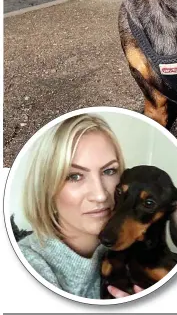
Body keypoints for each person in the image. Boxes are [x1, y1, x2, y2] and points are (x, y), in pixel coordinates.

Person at [17, 114, 141, 299]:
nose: (100, 195)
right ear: (47, 187)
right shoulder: (25, 267)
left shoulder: (136, 249)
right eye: (74, 176)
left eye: (109, 171)